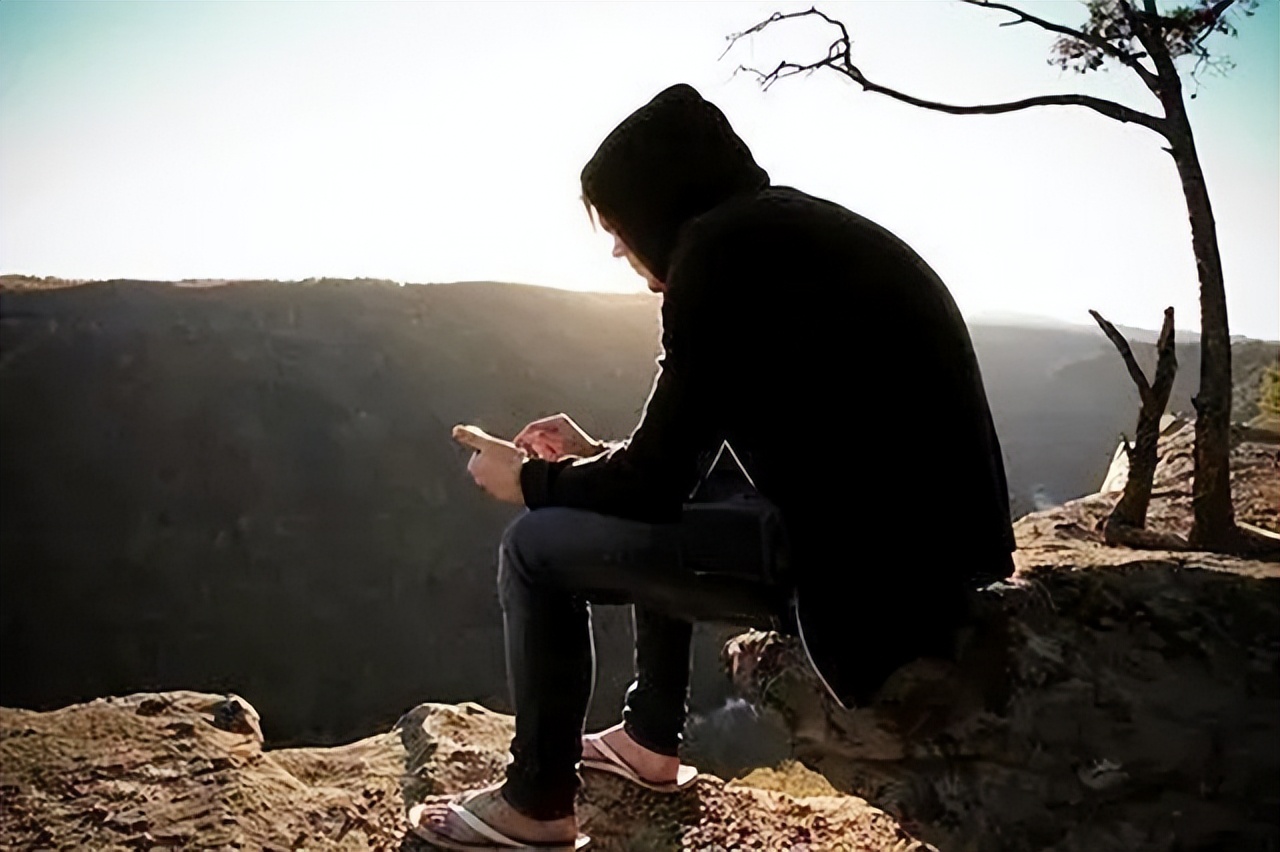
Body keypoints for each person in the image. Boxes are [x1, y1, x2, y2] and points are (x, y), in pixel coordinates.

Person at [411, 83, 1015, 850]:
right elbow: (690, 459)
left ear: (655, 203)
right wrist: (598, 459)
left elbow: (656, 485)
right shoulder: (794, 232)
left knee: (532, 550)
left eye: (617, 225)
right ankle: (649, 742)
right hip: (924, 549)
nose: (616, 247)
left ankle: (537, 804)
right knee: (656, 501)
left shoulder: (719, 258)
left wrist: (530, 482)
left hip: (870, 578)